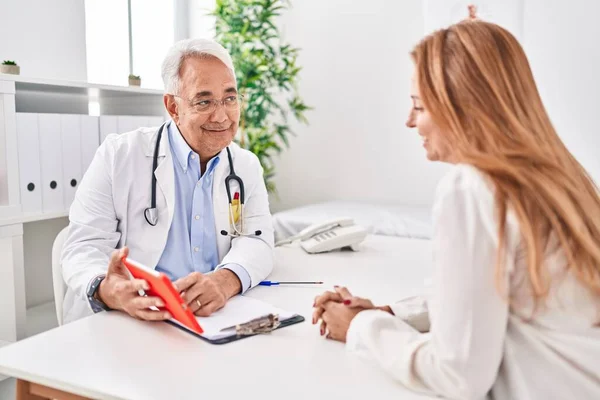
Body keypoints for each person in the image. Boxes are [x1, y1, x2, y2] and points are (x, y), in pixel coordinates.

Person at [313, 20, 600, 399]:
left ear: (461, 107)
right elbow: (497, 297)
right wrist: (389, 313)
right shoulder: (562, 178)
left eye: (419, 106)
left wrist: (360, 327)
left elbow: (457, 375)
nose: (410, 120)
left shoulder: (473, 187)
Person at [61, 38, 274, 323]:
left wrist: (225, 280)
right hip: (130, 319)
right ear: (173, 107)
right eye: (204, 101)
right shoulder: (119, 155)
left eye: (230, 98)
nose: (222, 115)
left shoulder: (245, 165)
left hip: (213, 319)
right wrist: (107, 288)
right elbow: (83, 246)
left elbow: (258, 240)